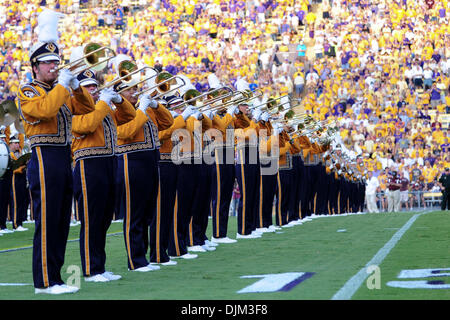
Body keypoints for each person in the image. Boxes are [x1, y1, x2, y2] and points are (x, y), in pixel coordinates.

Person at [17, 15, 94, 294]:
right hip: (44, 158)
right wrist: (63, 86)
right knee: (48, 220)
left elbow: (86, 108)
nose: (53, 66)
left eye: (55, 62)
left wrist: (75, 86)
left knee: (62, 221)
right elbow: (45, 110)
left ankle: (57, 278)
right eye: (48, 63)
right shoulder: (29, 91)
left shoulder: (60, 91)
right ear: (35, 66)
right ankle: (45, 282)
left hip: (63, 157)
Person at [71, 69, 136, 282]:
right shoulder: (75, 106)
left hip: (109, 162)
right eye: (88, 87)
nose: (94, 89)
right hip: (88, 164)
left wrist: (119, 100)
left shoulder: (103, 107)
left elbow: (130, 116)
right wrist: (104, 103)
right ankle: (90, 269)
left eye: (94, 86)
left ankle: (100, 266)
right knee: (91, 219)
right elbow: (87, 126)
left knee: (105, 218)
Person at [115, 71, 174, 272]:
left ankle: (144, 257)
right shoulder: (116, 110)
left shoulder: (142, 109)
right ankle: (135, 261)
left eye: (135, 88)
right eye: (130, 89)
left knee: (148, 212)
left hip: (150, 161)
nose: (135, 92)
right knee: (135, 214)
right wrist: (141, 110)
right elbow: (126, 132)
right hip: (131, 161)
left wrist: (156, 105)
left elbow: (169, 123)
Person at [9, 134, 30, 231]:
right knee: (16, 201)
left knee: (22, 200)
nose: (17, 145)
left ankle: (20, 222)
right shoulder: (10, 154)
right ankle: (16, 224)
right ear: (10, 144)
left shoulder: (20, 153)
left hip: (22, 179)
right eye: (15, 143)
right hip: (14, 179)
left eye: (18, 143)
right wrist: (21, 167)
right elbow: (13, 169)